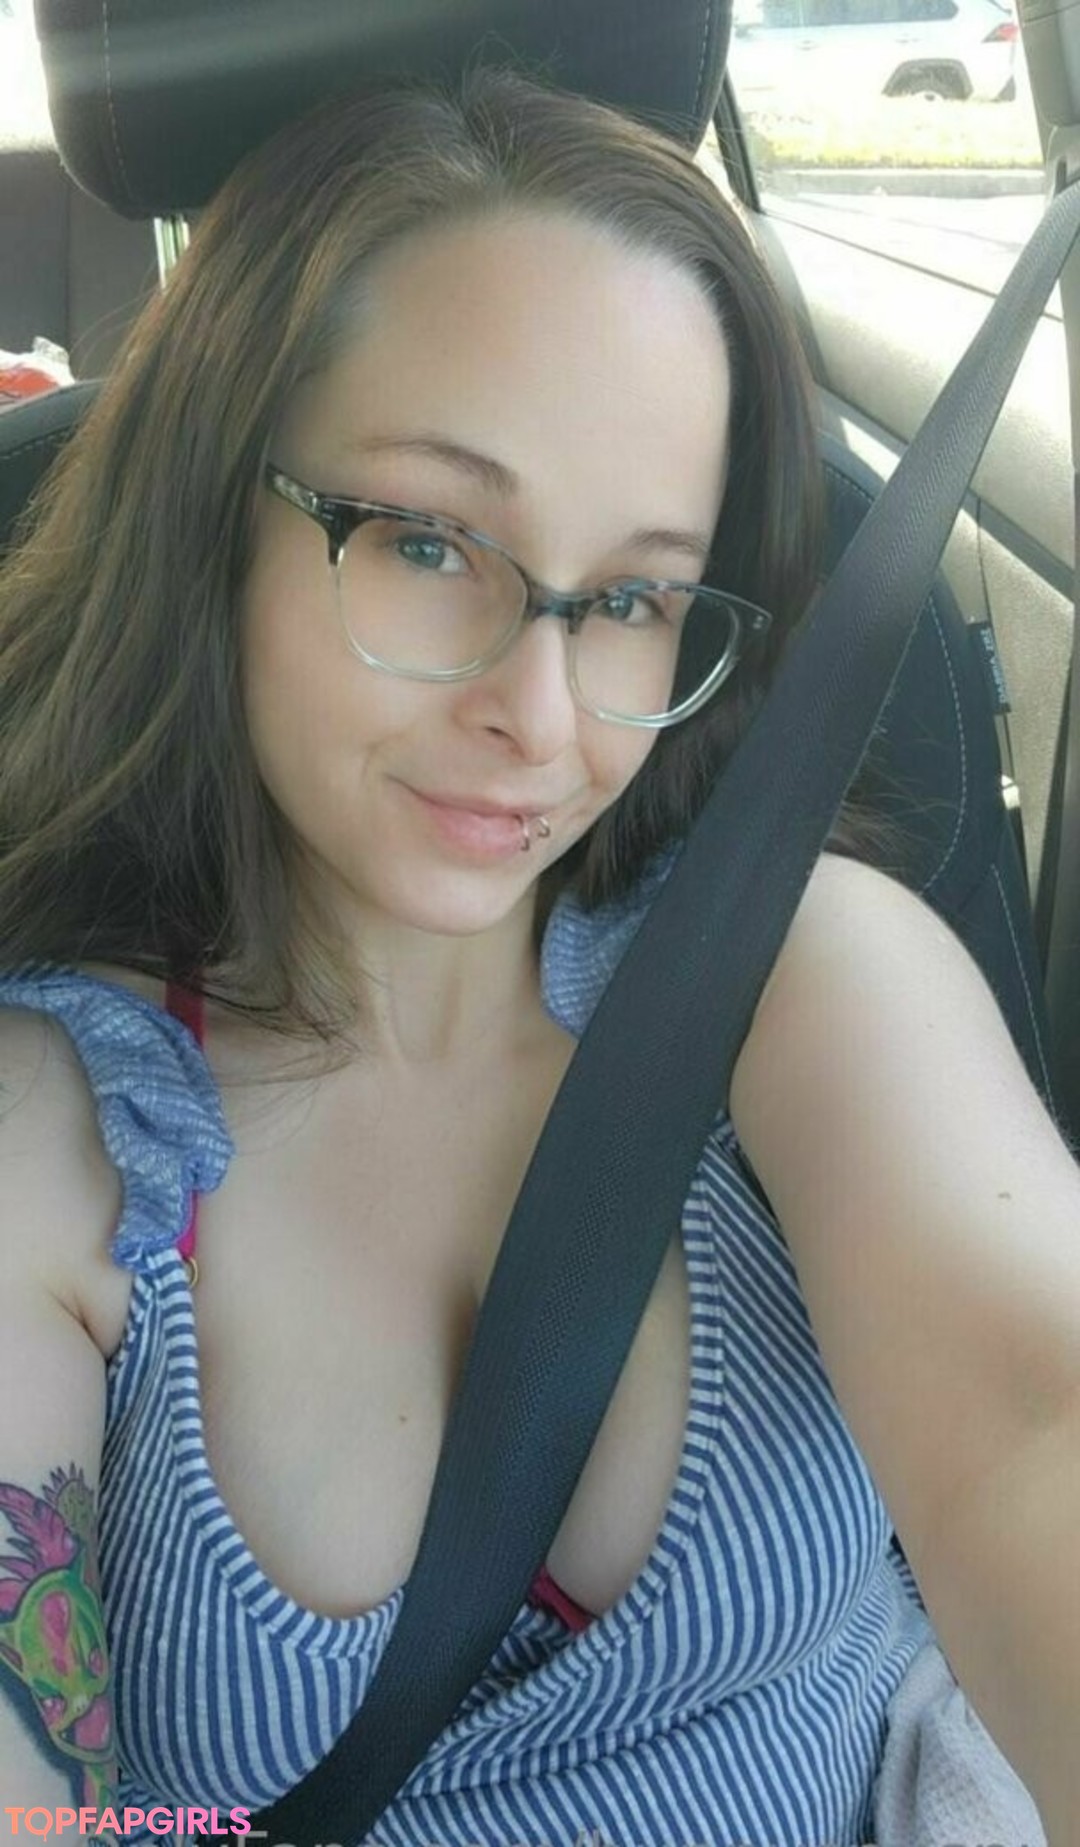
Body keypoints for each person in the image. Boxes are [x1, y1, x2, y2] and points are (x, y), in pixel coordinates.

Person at [0, 64, 1077, 1847]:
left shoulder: (795, 970)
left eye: (635, 598)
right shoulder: (51, 1144)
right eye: (429, 543)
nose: (544, 715)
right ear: (211, 515)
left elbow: (1036, 1427)